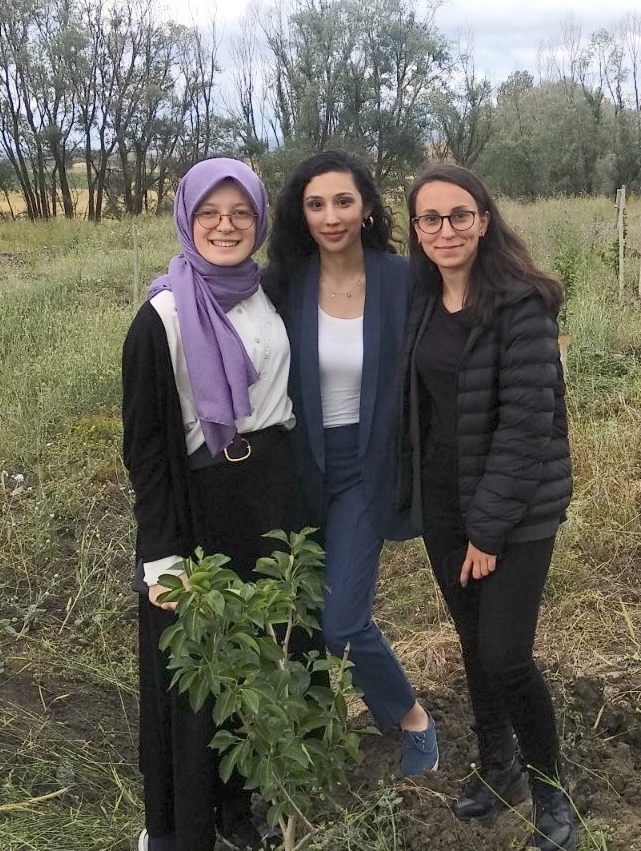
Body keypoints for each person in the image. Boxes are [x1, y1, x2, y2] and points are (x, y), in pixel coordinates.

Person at [122, 158, 308, 851]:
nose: (225, 226)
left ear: (258, 220)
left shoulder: (268, 293)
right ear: (187, 219)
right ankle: (178, 827)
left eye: (240, 214)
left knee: (254, 660)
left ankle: (239, 809)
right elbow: (144, 448)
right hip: (198, 505)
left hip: (271, 499)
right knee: (193, 672)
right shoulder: (161, 316)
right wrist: (161, 555)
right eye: (210, 214)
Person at [401, 164, 577, 851]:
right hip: (443, 501)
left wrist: (488, 529)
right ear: (416, 230)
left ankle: (551, 793)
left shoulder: (520, 304)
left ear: (483, 218)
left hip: (516, 505)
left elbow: (528, 423)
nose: (445, 230)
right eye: (430, 219)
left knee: (506, 654)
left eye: (459, 216)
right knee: (473, 642)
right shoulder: (420, 300)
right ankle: (498, 766)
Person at [263, 150, 438, 775]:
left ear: (366, 207)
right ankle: (316, 725)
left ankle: (410, 715)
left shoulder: (401, 278)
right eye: (316, 204)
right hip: (298, 463)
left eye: (343, 201)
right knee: (298, 609)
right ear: (300, 214)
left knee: (342, 620)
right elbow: (219, 299)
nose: (331, 216)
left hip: (367, 464)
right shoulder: (284, 281)